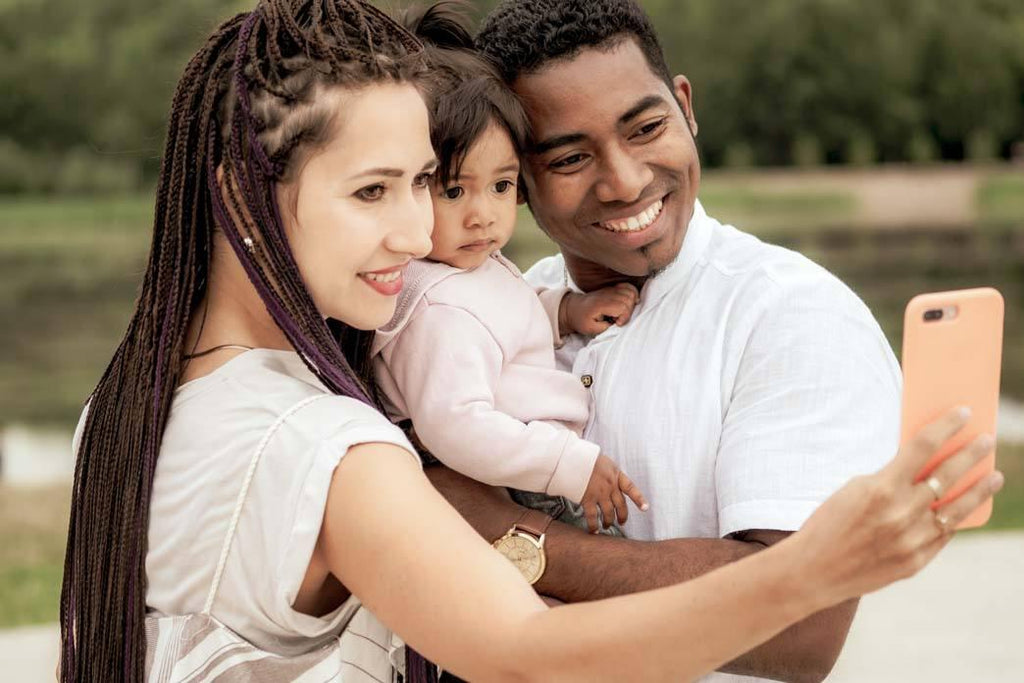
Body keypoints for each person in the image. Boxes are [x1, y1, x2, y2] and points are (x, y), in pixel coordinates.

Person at [59, 1, 1002, 682]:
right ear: (241, 194)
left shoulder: (125, 404)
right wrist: (814, 566)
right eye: (373, 190)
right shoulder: (338, 443)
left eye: (427, 183)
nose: (418, 230)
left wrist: (502, 529)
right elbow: (522, 654)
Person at [418, 1, 998, 681]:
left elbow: (799, 630)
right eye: (571, 156)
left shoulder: (794, 316)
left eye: (647, 127)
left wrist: (510, 537)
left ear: (685, 107)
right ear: (515, 173)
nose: (626, 179)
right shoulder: (501, 308)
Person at [372, 3, 646, 537]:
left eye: (501, 185)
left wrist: (564, 310)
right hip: (519, 479)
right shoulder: (439, 309)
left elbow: (500, 318)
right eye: (454, 190)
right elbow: (454, 423)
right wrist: (567, 465)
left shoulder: (457, 271)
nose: (485, 215)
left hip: (533, 465)